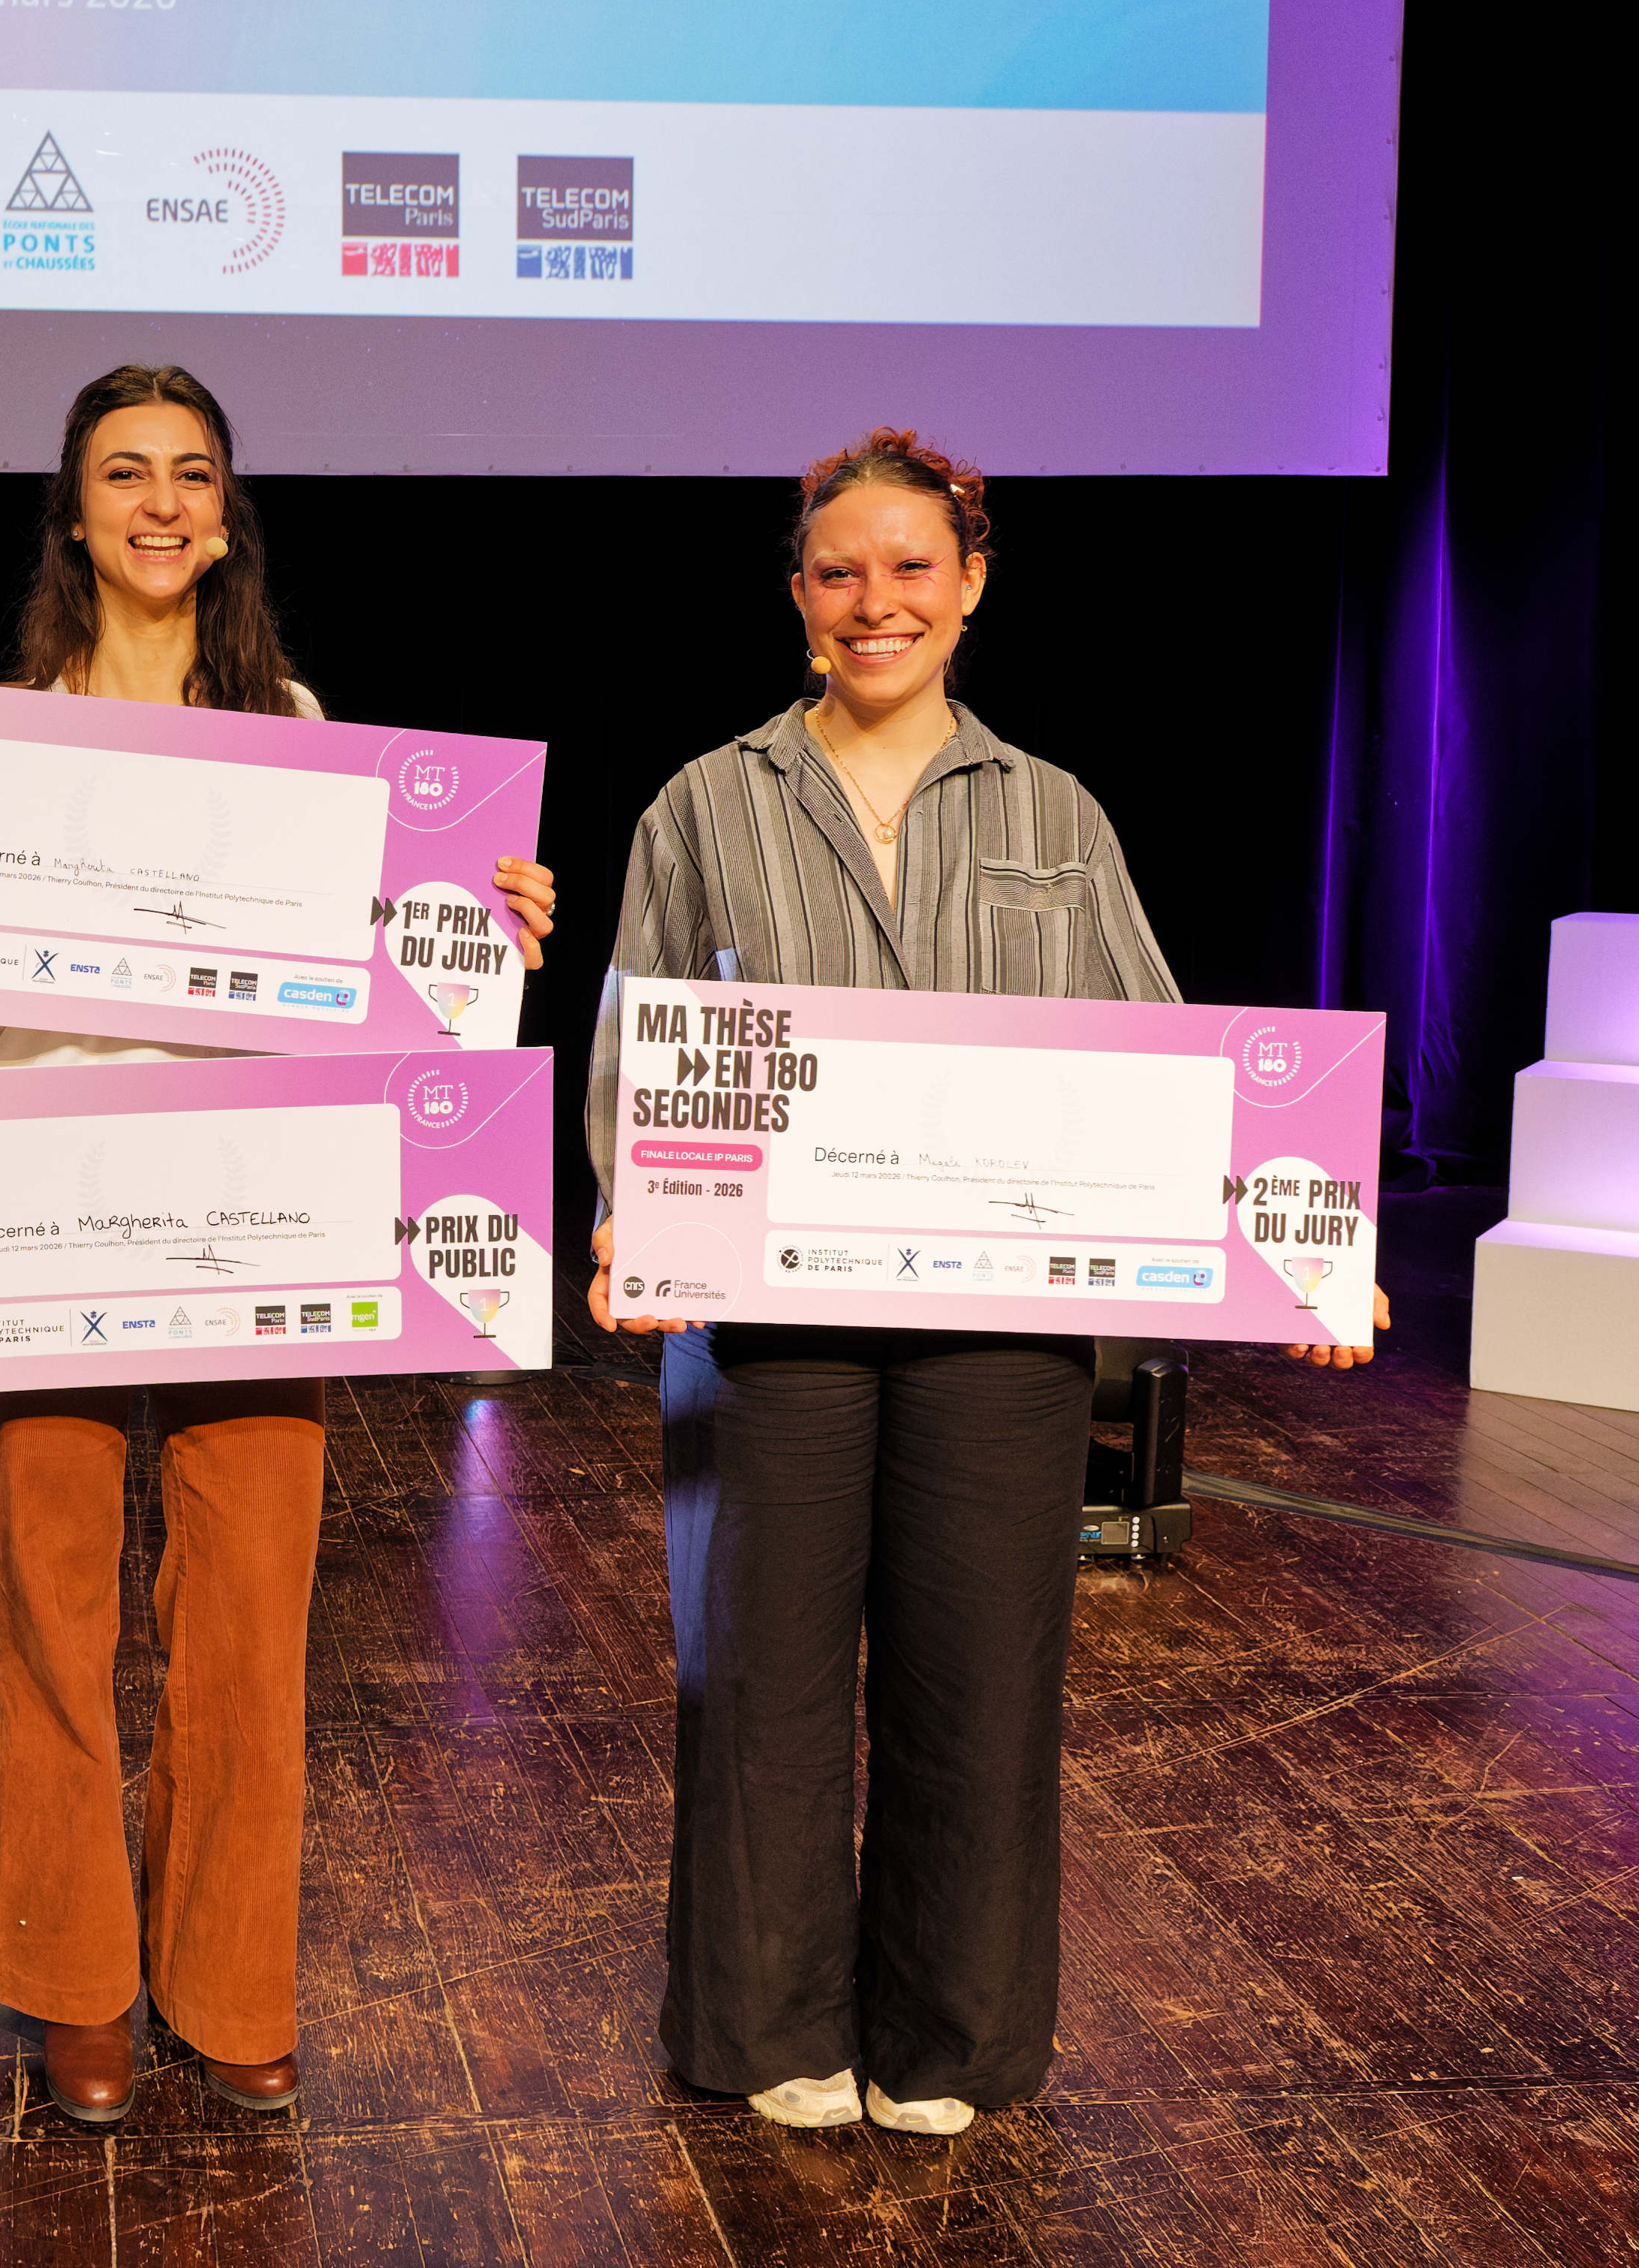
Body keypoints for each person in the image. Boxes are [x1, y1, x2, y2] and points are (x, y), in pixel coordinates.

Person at [0, 365, 557, 2125]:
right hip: (28, 1235)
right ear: (75, 512)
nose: (163, 504)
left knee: (249, 1630)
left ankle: (230, 1980)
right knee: (50, 1620)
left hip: (257, 1223)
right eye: (126, 474)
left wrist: (474, 939)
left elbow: (384, 1021)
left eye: (193, 475)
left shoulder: (306, 728)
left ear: (229, 510)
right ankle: (77, 1982)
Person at [583, 427, 1388, 2137]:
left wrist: (1305, 1258)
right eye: (838, 572)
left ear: (969, 586)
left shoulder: (1053, 814)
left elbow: (1175, 1064)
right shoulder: (706, 800)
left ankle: (949, 2040)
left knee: (980, 1679)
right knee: (763, 1685)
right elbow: (632, 1041)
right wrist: (623, 1223)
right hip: (772, 1327)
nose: (875, 603)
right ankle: (766, 2023)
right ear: (797, 598)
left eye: (911, 569)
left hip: (999, 1340)